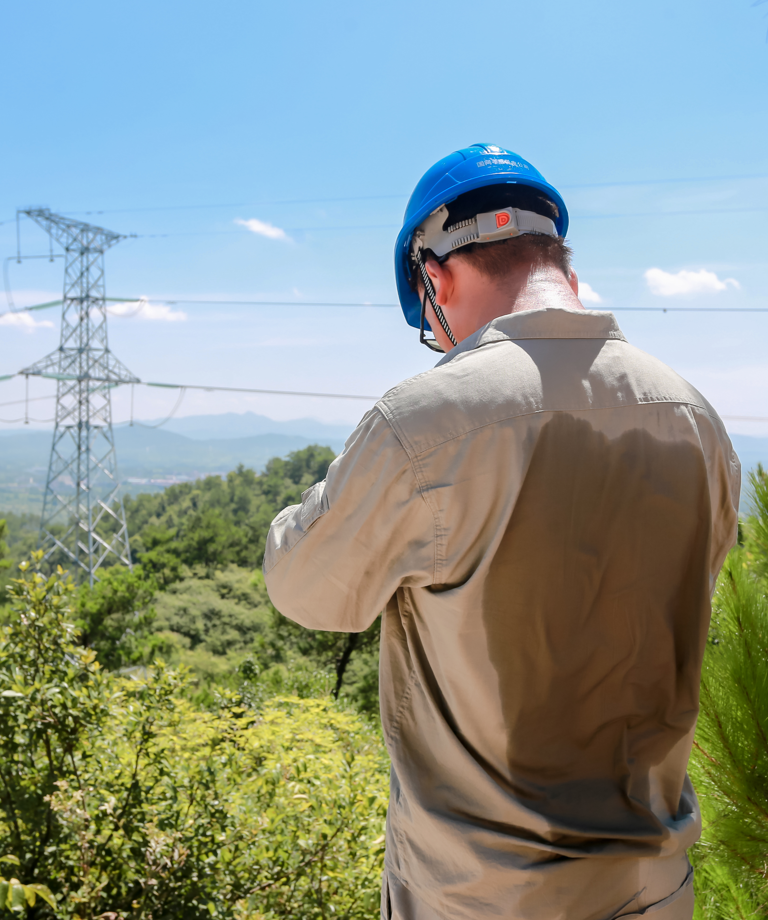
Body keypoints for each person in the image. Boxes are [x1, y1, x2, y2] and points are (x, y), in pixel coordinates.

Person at [263, 144, 740, 920]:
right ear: (565, 266)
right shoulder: (695, 418)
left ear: (436, 276)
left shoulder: (422, 422)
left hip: (481, 897)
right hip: (655, 890)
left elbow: (308, 590)